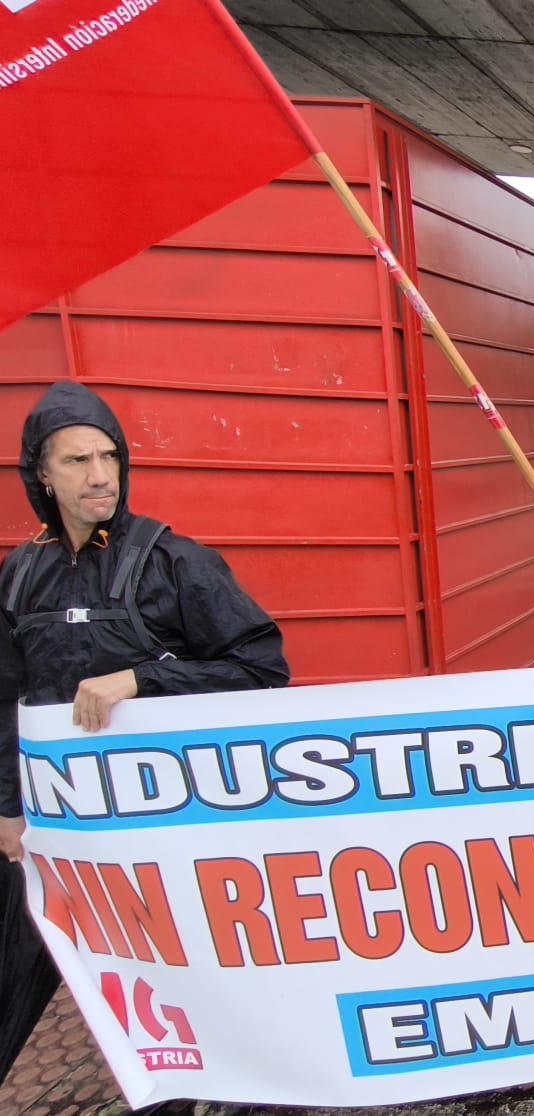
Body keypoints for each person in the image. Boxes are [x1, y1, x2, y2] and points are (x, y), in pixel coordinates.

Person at [0, 382, 289, 1083]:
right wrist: (8, 807)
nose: (99, 475)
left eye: (109, 457)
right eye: (76, 461)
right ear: (41, 473)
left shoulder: (173, 561)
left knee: (177, 1005)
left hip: (160, 834)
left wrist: (141, 679)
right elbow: (5, 697)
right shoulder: (17, 576)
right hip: (57, 828)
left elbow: (263, 665)